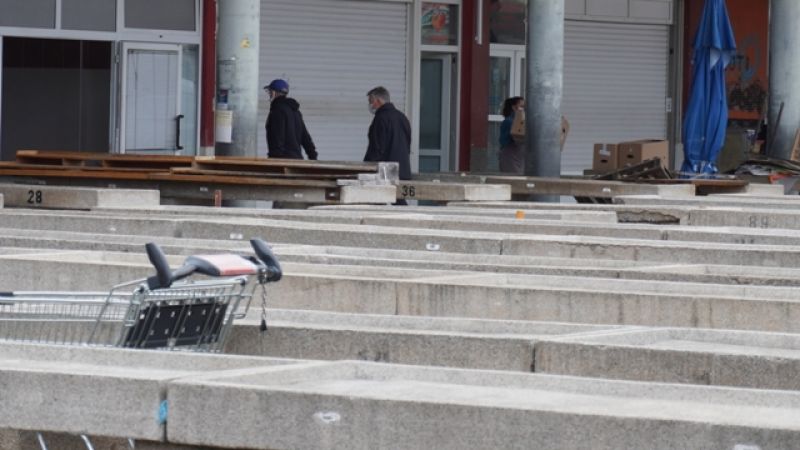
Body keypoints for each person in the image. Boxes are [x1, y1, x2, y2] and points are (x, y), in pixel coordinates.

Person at [364, 86, 412, 181]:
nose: (370, 105)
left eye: (371, 102)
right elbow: (408, 144)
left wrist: (367, 167)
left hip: (386, 175)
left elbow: (377, 149)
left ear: (378, 101)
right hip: (404, 172)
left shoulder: (380, 119)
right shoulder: (402, 118)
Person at [264, 79, 318, 160]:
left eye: (270, 92)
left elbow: (277, 137)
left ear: (274, 93)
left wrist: (274, 159)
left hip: (282, 161)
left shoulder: (277, 111)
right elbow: (305, 137)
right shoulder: (296, 112)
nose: (269, 95)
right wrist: (313, 156)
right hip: (297, 161)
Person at [498, 96, 525, 174]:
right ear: (513, 107)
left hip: (518, 156)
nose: (524, 109)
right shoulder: (510, 121)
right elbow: (515, 137)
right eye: (521, 106)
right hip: (510, 156)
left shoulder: (520, 121)